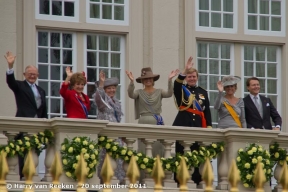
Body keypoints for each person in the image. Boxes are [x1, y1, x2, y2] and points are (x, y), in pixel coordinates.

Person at [4, 51, 48, 180]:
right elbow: (10, 81)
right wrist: (10, 66)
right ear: (25, 75)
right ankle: (24, 176)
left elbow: (43, 109)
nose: (32, 76)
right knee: (23, 151)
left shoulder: (41, 90)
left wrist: (45, 124)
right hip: (24, 124)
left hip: (37, 126)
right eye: (30, 74)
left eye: (34, 74)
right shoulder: (20, 86)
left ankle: (32, 174)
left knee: (34, 151)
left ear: (38, 75)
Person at [172, 56, 212, 185]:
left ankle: (196, 180)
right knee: (181, 154)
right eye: (189, 76)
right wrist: (184, 70)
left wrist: (209, 128)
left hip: (198, 126)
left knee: (197, 155)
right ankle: (180, 180)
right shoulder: (182, 90)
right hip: (183, 124)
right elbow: (176, 84)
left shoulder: (203, 92)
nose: (192, 78)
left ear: (197, 77)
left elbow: (207, 112)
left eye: (194, 76)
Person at [126, 67, 178, 157]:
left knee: (158, 146)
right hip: (144, 121)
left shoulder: (159, 91)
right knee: (143, 147)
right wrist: (131, 82)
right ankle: (143, 170)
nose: (148, 80)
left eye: (149, 78)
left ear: (153, 79)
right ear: (142, 81)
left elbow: (169, 94)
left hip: (157, 120)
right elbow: (131, 95)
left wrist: (170, 80)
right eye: (145, 79)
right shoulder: (139, 92)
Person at [93, 70, 125, 184]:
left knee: (118, 162)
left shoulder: (116, 102)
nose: (112, 90)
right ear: (105, 90)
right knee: (105, 162)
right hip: (105, 135)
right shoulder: (103, 101)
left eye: (113, 88)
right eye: (109, 88)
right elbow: (98, 98)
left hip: (116, 135)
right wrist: (101, 84)